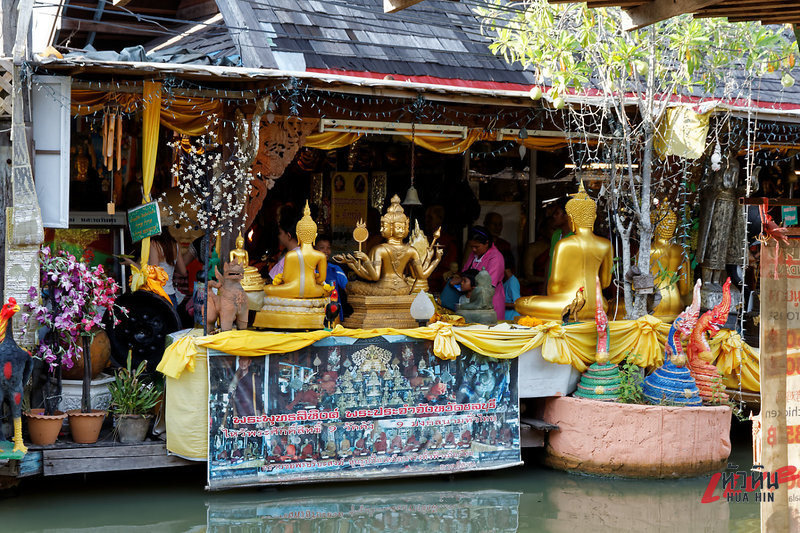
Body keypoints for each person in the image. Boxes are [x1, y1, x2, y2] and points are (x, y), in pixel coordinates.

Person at [122, 230, 187, 310]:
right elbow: (183, 272)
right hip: (171, 295)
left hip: (157, 295)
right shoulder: (174, 244)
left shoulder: (154, 243)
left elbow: (152, 273)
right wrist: (170, 266)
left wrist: (131, 263)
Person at [459, 226, 505, 320]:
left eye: (476, 247)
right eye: (471, 247)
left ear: (487, 243)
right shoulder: (475, 254)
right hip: (474, 301)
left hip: (491, 303)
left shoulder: (496, 258)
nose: (474, 250)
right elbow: (465, 272)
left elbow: (488, 286)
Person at [315, 234, 349, 320]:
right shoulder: (310, 271)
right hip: (315, 315)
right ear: (314, 250)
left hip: (335, 317)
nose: (326, 251)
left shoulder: (335, 269)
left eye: (328, 248)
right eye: (322, 248)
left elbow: (348, 289)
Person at [268, 210, 300, 281]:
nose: (279, 237)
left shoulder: (288, 258)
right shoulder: (306, 253)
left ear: (288, 235)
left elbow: (273, 281)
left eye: (280, 233)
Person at [502, 251, 521, 321]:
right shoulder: (505, 281)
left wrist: (500, 304)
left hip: (512, 318)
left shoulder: (513, 282)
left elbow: (517, 304)